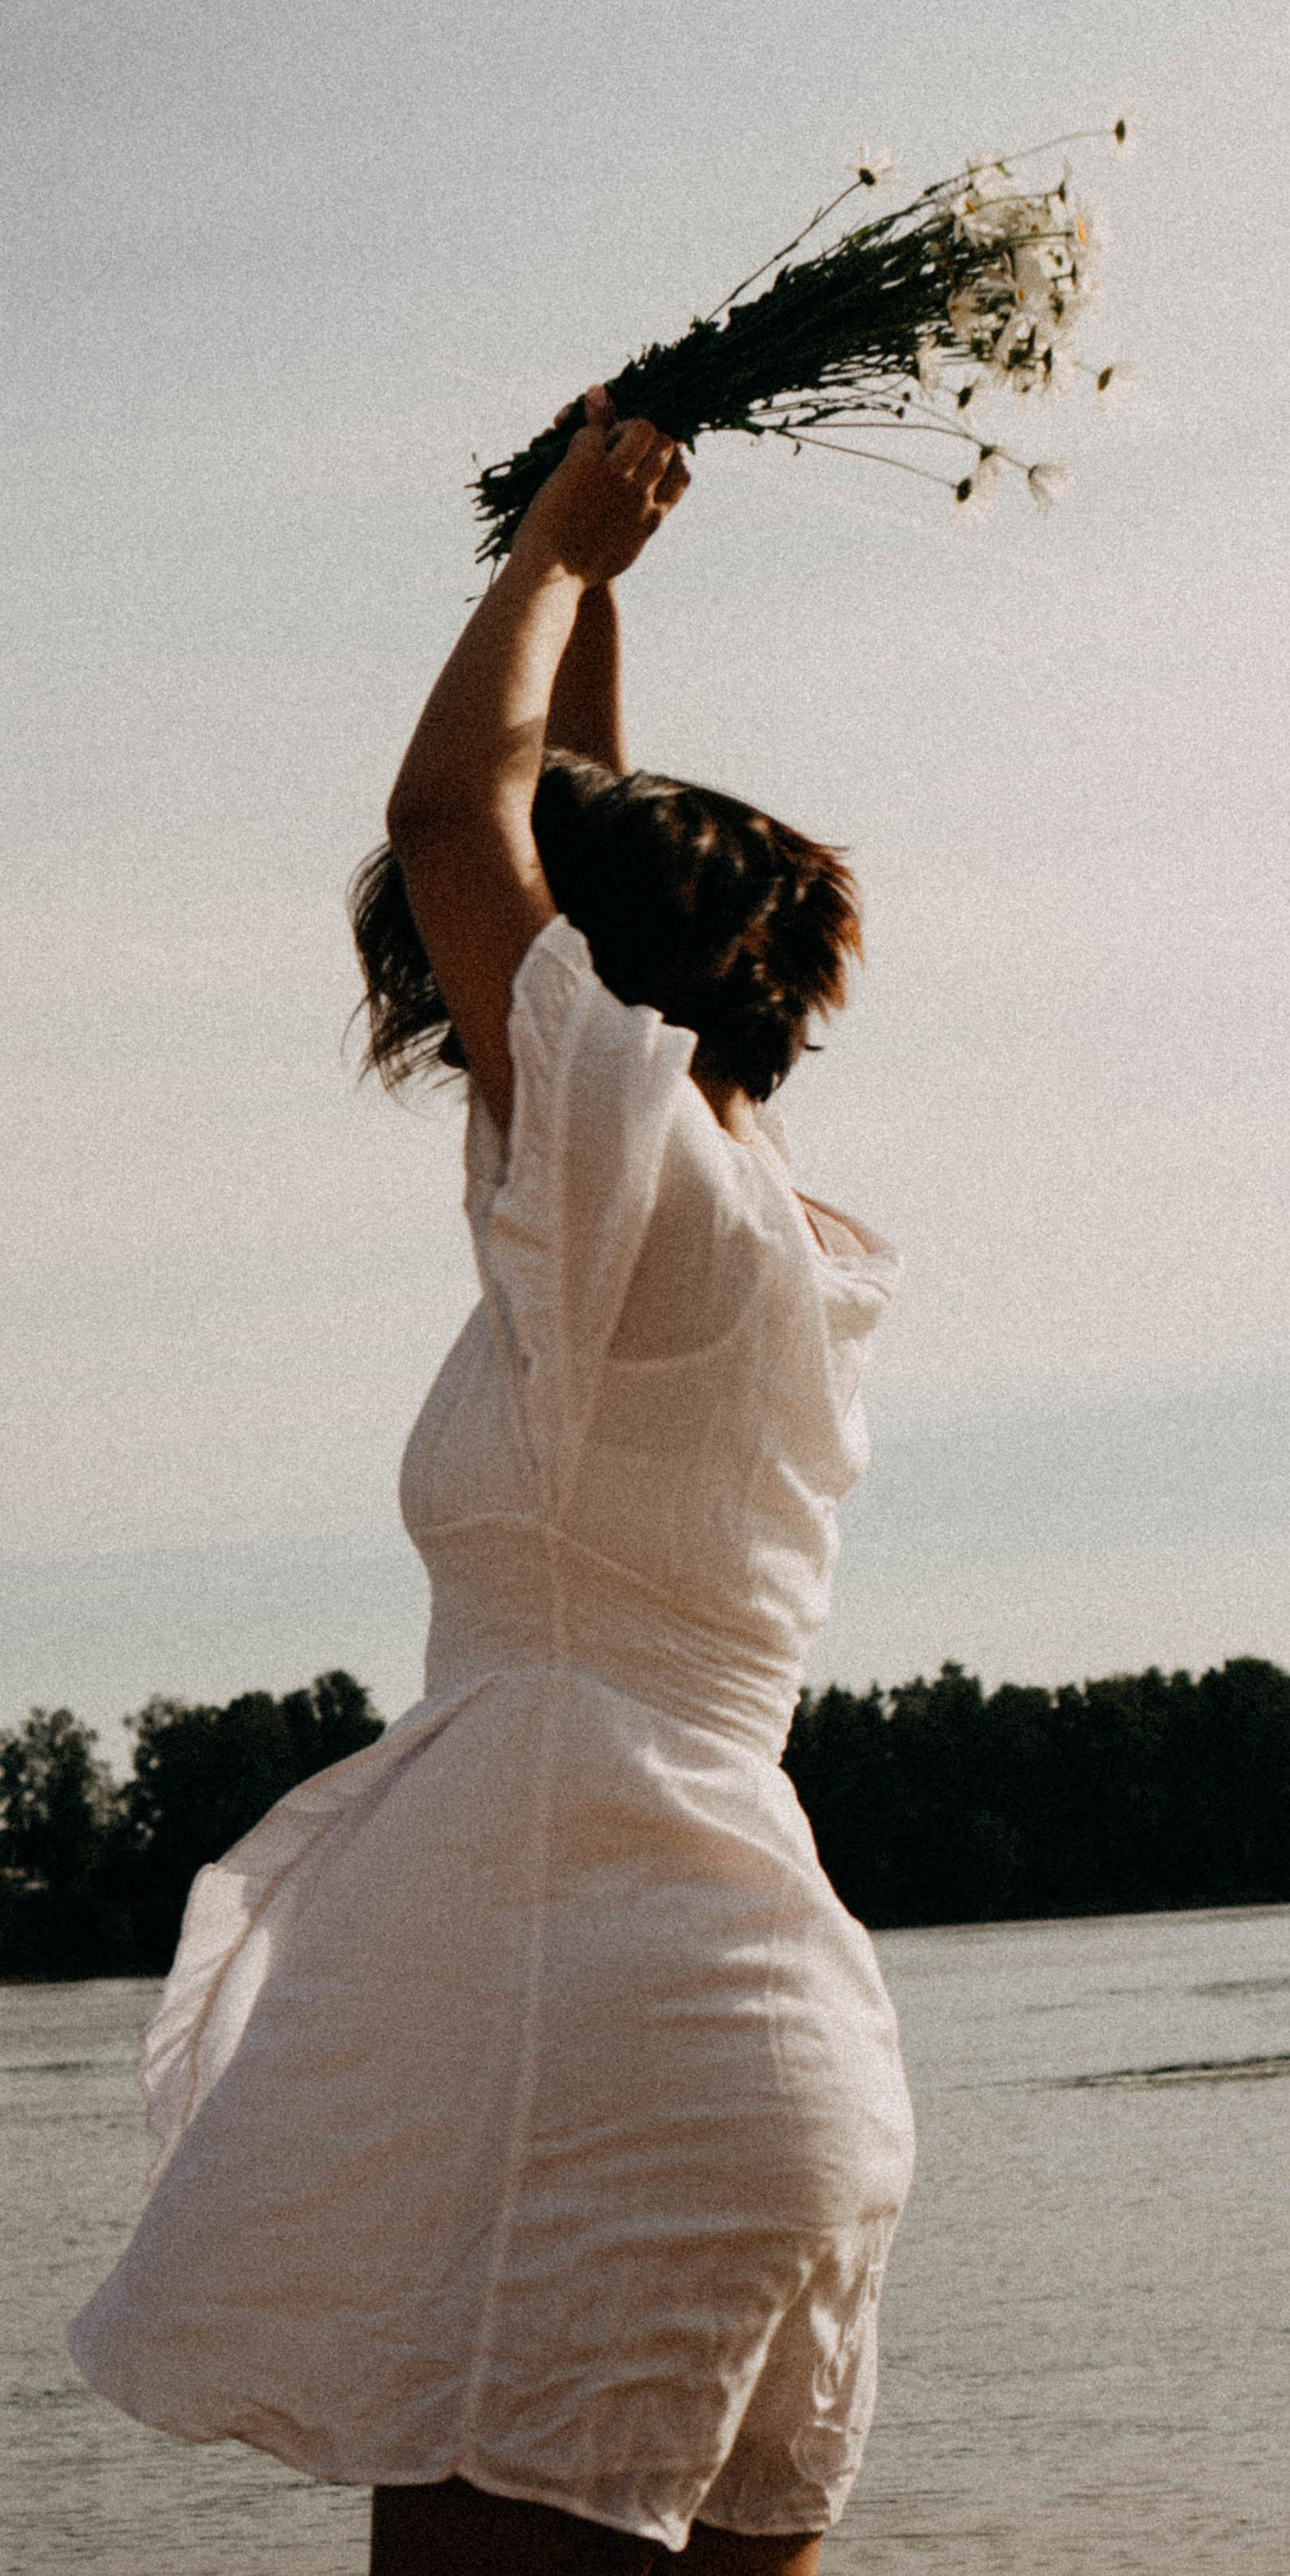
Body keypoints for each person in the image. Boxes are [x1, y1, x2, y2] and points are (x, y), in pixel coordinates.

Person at [69, 393, 914, 2572]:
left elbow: (461, 809)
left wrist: (545, 551)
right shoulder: (754, 1212)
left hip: (609, 2041)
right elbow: (570, 835)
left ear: (589, 996)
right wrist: (613, 602)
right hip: (768, 2055)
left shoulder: (633, 1168)